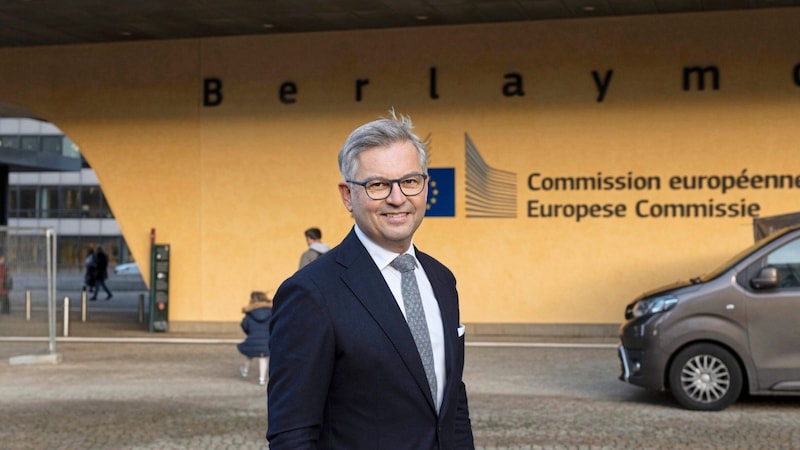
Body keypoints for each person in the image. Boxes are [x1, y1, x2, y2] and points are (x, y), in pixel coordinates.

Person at [267, 112, 474, 449]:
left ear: (424, 185)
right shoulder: (311, 293)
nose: (397, 198)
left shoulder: (442, 280)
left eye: (410, 181)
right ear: (348, 195)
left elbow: (452, 403)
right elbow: (292, 433)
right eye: (378, 185)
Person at [237, 291, 273, 386]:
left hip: (252, 339)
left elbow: (244, 325)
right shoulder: (271, 311)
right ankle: (262, 379)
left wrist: (250, 333)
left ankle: (245, 370)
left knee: (249, 355)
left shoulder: (250, 313)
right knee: (263, 358)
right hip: (267, 341)